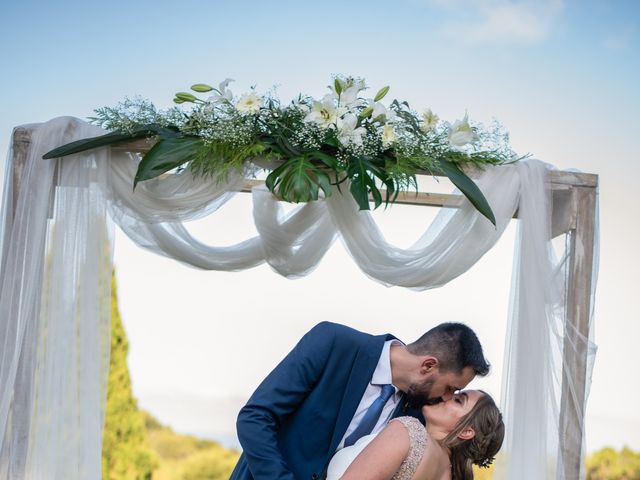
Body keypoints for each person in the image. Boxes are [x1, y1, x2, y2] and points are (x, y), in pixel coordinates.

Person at [229, 321, 490, 480]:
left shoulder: (417, 417)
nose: (447, 397)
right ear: (428, 365)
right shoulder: (333, 342)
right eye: (450, 388)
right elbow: (255, 418)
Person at [327, 389, 505, 479]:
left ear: (466, 431)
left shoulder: (409, 431)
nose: (447, 396)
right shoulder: (448, 473)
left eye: (458, 400)